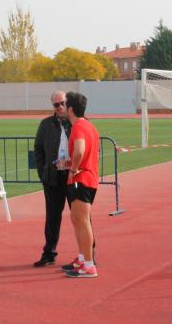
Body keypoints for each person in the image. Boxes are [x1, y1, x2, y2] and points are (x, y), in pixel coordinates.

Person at [59, 91, 100, 278]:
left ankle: (89, 265)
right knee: (78, 221)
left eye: (65, 105)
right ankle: (83, 260)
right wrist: (70, 164)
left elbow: (80, 151)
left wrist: (73, 169)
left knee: (82, 222)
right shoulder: (89, 126)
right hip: (86, 178)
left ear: (71, 109)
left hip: (82, 180)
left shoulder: (78, 127)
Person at [33, 90, 72, 267]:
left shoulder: (78, 122)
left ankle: (87, 254)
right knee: (52, 218)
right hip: (53, 178)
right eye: (56, 104)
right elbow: (38, 150)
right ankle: (49, 253)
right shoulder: (46, 124)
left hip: (74, 177)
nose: (60, 107)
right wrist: (43, 173)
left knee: (81, 218)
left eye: (63, 103)